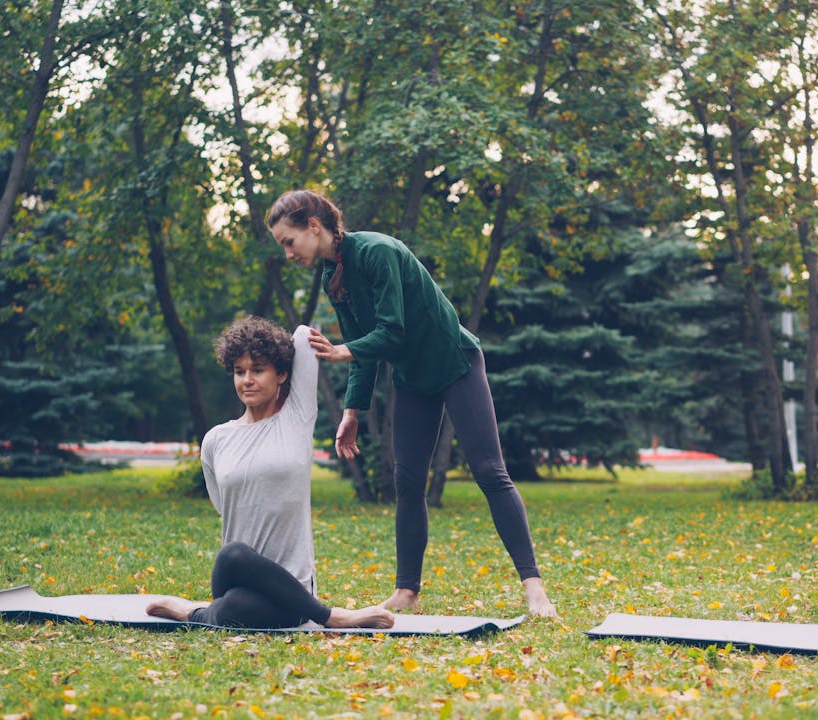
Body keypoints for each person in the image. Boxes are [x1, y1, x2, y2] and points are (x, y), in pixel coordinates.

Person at [267, 189, 558, 618]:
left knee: (489, 472)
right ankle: (407, 591)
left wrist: (344, 350)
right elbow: (367, 348)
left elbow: (393, 331)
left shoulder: (378, 251)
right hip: (411, 378)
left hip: (454, 361)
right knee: (406, 480)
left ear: (313, 225)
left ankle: (534, 588)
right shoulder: (334, 273)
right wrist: (352, 412)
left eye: (288, 242)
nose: (288, 253)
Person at [145, 316, 394, 630]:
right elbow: (225, 507)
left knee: (232, 609)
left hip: (293, 593)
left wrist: (335, 350)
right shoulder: (216, 440)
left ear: (282, 375)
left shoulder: (296, 419)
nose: (247, 380)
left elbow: (303, 336)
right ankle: (328, 616)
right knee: (232, 555)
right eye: (239, 371)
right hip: (235, 576)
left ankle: (194, 613)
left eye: (258, 369)